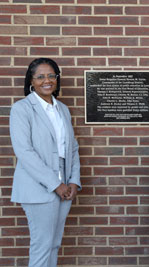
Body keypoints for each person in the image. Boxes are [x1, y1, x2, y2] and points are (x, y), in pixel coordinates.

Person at [9, 58, 81, 267]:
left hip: (65, 184)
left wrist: (73, 181)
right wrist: (55, 184)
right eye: (40, 77)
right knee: (42, 245)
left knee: (54, 244)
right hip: (38, 186)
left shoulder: (62, 109)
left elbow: (72, 148)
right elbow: (24, 152)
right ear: (31, 81)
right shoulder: (22, 109)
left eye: (51, 75)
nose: (46, 80)